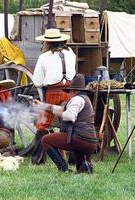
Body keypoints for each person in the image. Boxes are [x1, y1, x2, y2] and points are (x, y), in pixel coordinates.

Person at [33, 74, 97, 173]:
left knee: (46, 140)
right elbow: (61, 109)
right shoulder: (84, 99)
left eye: (70, 91)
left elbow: (69, 116)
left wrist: (60, 114)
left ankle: (63, 168)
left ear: (74, 91)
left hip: (79, 139)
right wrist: (43, 106)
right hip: (90, 142)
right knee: (82, 169)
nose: (69, 94)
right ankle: (86, 165)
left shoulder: (76, 99)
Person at [31, 28, 77, 164]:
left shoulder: (44, 57)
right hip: (70, 91)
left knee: (42, 124)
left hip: (53, 93)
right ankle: (74, 158)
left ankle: (37, 160)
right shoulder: (71, 53)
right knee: (70, 123)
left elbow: (37, 82)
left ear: (48, 43)